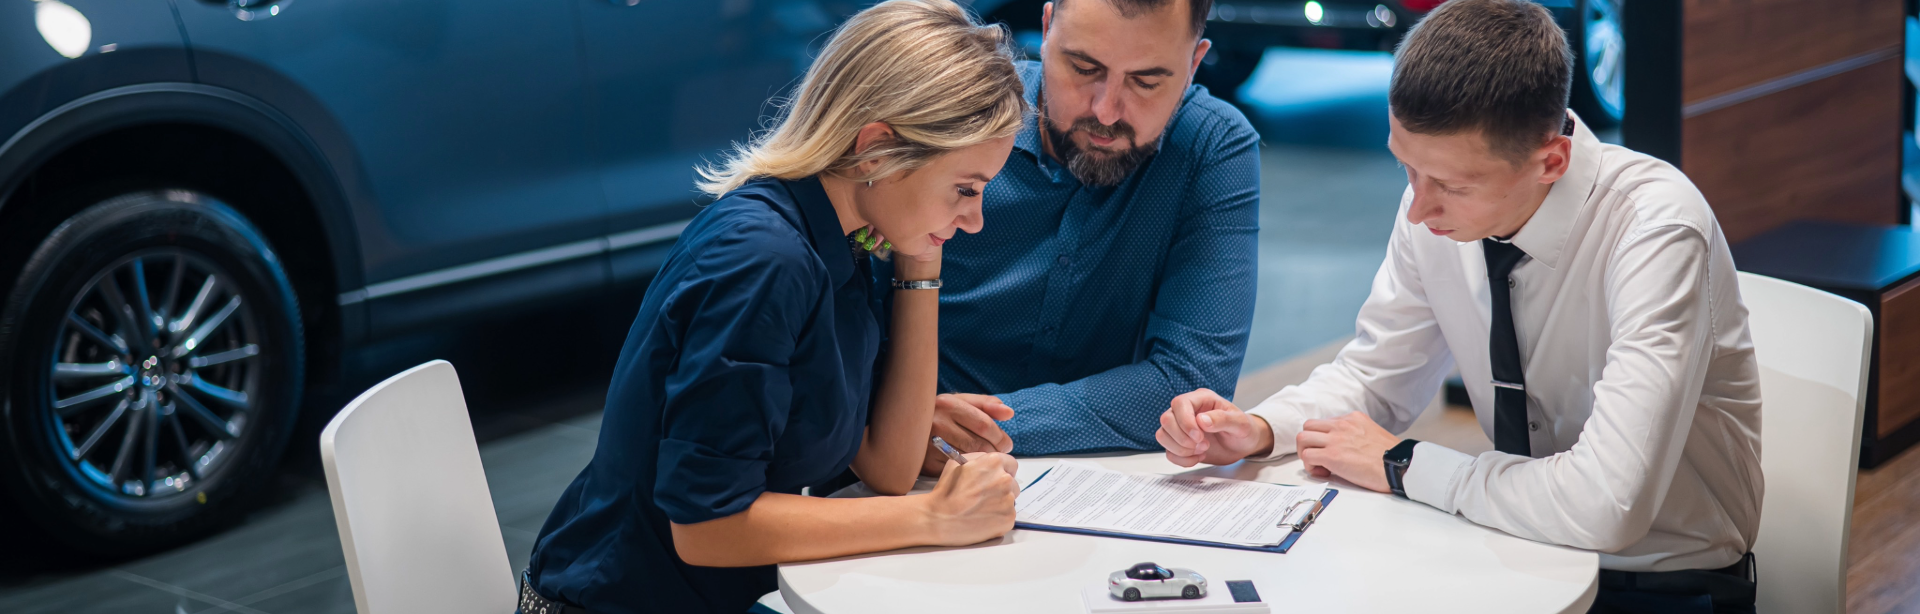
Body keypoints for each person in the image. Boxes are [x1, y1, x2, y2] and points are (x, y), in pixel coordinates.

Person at [1154, 1, 1763, 612]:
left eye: (1451, 185)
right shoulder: (1434, 208)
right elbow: (1376, 378)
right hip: (1500, 548)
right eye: (1407, 169)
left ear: (1551, 161)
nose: (1418, 209)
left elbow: (1607, 505)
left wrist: (1403, 463)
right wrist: (1260, 430)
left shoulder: (1655, 231)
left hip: (1658, 585)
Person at [519, 3, 1029, 613]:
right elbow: (707, 526)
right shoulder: (764, 259)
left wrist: (920, 261)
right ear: (876, 151)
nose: (974, 220)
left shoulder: (843, 236)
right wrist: (935, 516)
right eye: (965, 189)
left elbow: (888, 466)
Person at [909, 0, 1261, 471]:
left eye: (1146, 82)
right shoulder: (954, 114)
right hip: (893, 472)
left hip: (1086, 481)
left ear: (1195, 63)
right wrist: (901, 427)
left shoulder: (1210, 146)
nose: (1106, 111)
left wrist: (968, 432)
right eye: (1083, 68)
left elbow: (1190, 385)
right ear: (1046, 29)